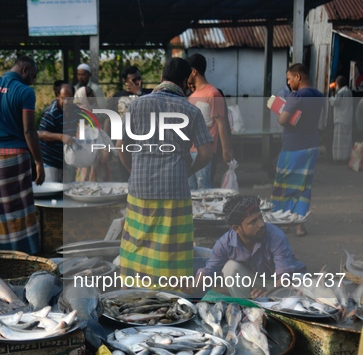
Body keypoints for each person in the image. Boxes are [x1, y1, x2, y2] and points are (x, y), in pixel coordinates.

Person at [117, 58, 213, 287]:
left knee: (139, 240)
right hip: (175, 188)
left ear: (162, 77)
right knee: (170, 244)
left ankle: (135, 289)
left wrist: (134, 171)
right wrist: (188, 170)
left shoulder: (137, 105)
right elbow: (207, 153)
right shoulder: (191, 110)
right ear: (184, 80)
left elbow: (122, 146)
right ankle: (171, 294)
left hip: (140, 186)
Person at [0, 56, 45, 255]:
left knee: (2, 213)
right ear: (25, 70)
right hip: (18, 158)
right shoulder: (25, 92)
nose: (32, 81)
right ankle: (29, 255)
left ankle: (8, 254)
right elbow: (29, 131)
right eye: (33, 76)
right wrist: (38, 161)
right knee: (23, 212)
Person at [193, 195, 306, 298]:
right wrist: (193, 287)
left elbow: (284, 276)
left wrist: (268, 294)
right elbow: (209, 270)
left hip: (289, 283)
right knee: (231, 268)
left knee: (298, 295)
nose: (261, 224)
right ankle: (248, 307)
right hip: (261, 281)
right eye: (253, 222)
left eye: (260, 217)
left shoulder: (276, 236)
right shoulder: (224, 243)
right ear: (237, 228)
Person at [271, 63, 323, 237]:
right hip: (312, 146)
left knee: (283, 185)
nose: (288, 83)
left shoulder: (296, 96)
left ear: (298, 77)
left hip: (293, 147)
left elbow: (283, 120)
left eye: (289, 79)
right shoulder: (318, 95)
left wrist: (279, 109)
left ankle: (283, 223)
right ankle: (300, 226)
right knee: (304, 186)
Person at [186, 54, 233, 190]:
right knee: (191, 189)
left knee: (204, 188)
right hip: (189, 151)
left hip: (205, 152)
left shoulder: (213, 94)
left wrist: (226, 150)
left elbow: (221, 123)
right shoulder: (192, 96)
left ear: (194, 72)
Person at [38, 83, 77, 182]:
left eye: (69, 99)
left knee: (68, 191)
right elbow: (41, 134)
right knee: (52, 191)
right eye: (63, 98)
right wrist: (60, 137)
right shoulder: (51, 113)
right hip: (51, 161)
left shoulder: (75, 110)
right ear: (58, 97)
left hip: (67, 161)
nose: (66, 102)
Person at [329, 76, 353, 163]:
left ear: (339, 84)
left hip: (340, 119)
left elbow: (334, 102)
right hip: (347, 118)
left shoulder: (341, 93)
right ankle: (347, 156)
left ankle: (339, 158)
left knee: (339, 141)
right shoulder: (348, 91)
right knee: (347, 139)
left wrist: (331, 94)